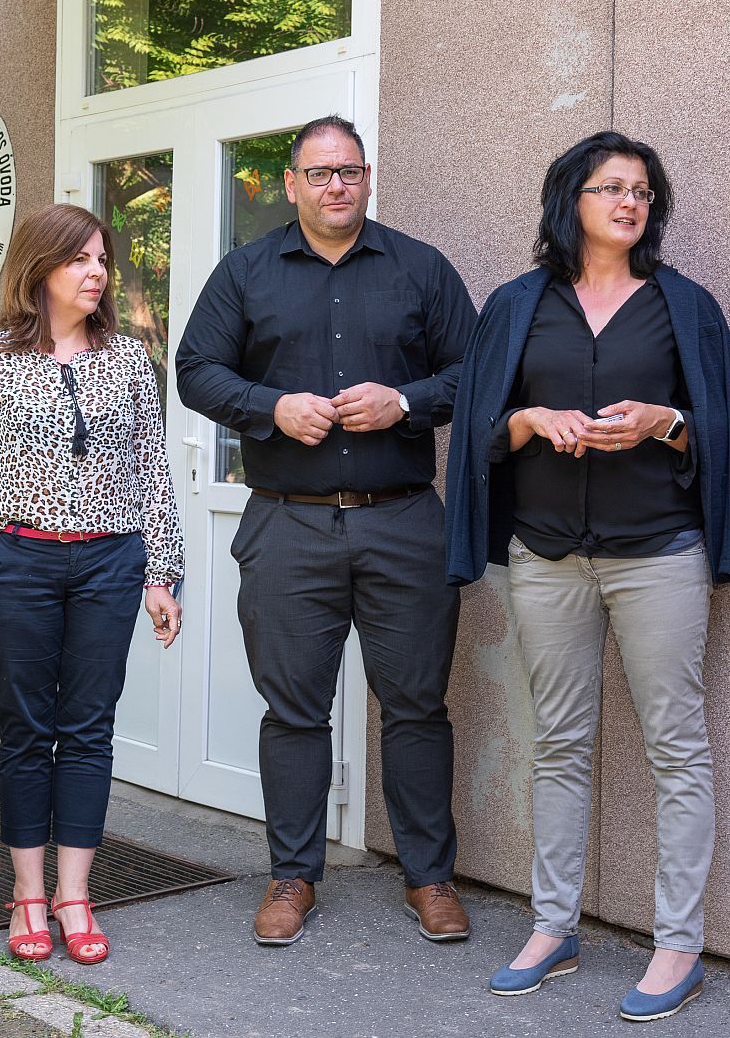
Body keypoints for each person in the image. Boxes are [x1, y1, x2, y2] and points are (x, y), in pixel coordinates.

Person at [443, 131, 730, 1021]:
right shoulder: (517, 305)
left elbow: (724, 429)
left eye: (643, 193)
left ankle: (678, 945)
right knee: (559, 744)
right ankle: (554, 928)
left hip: (657, 554)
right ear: (570, 200)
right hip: (547, 558)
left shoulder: (684, 307)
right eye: (612, 188)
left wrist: (665, 422)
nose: (630, 204)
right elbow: (478, 429)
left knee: (677, 747)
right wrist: (529, 422)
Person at [175, 115, 478, 947]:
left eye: (349, 171)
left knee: (416, 708)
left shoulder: (420, 268)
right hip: (288, 524)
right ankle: (292, 876)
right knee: (294, 711)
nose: (335, 185)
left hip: (402, 521)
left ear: (367, 177)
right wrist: (269, 407)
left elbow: (478, 372)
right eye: (319, 173)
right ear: (291, 184)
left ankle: (430, 878)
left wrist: (406, 402)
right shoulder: (245, 272)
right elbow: (195, 369)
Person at [0, 203, 184, 966]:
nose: (96, 273)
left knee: (87, 728)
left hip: (110, 562)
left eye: (102, 260)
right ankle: (27, 896)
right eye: (79, 259)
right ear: (40, 268)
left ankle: (74, 896)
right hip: (21, 562)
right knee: (26, 729)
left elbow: (152, 472)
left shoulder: (129, 361)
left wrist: (161, 573)